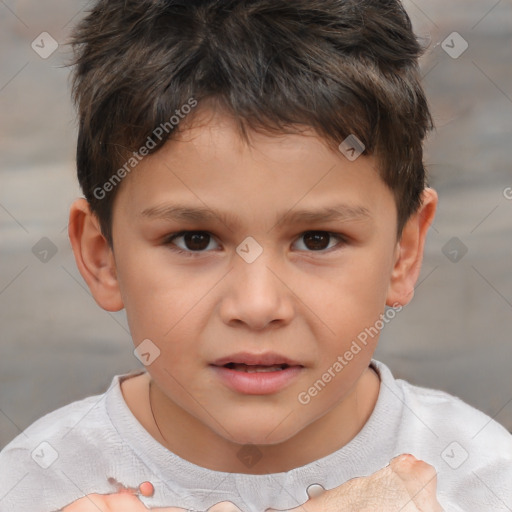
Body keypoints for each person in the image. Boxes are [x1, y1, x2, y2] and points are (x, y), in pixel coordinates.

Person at [0, 0, 510, 511]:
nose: (258, 305)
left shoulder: (484, 478)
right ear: (102, 256)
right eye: (194, 240)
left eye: (317, 239)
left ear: (404, 253)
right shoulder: (32, 483)